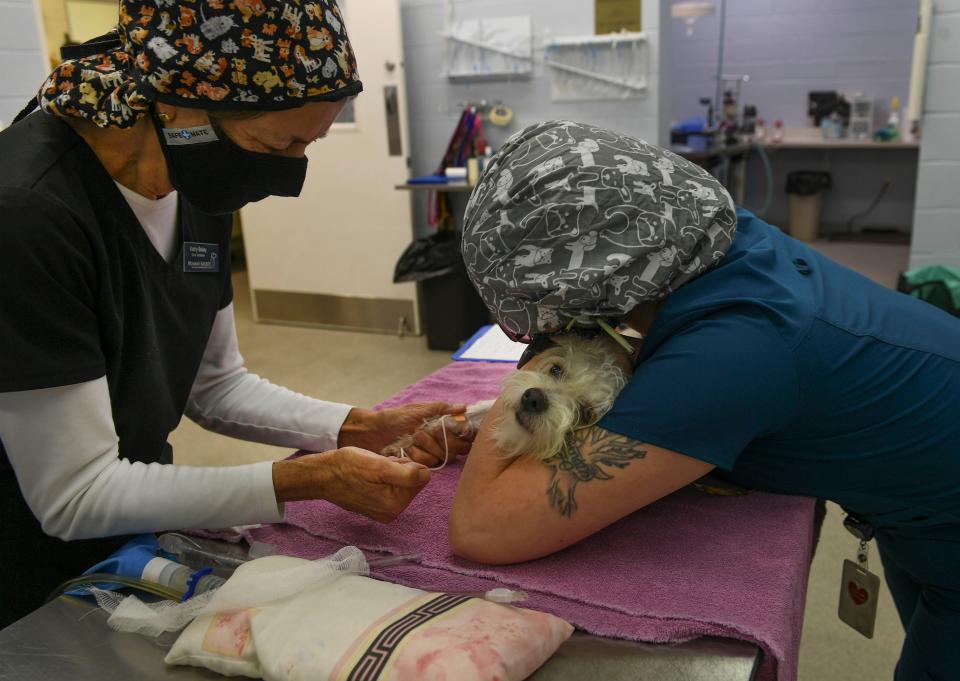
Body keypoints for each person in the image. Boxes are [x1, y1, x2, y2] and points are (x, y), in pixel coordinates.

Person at [0, 0, 467, 628]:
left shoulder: (194, 176)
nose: (291, 167)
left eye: (311, 142)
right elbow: (74, 494)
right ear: (180, 103)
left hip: (128, 514)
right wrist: (308, 480)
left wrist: (358, 427)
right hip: (23, 544)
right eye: (281, 142)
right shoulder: (28, 215)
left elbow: (214, 384)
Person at [451, 120, 960, 680]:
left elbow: (481, 528)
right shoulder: (710, 242)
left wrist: (531, 382)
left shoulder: (728, 354)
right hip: (922, 505)